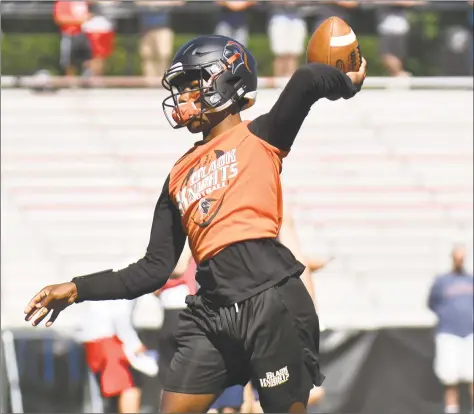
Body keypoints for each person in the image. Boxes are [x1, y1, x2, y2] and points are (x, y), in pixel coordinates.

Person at [24, 34, 366, 413]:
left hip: (270, 301)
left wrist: (345, 85)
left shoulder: (261, 136)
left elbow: (305, 80)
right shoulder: (177, 175)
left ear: (227, 80)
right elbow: (152, 270)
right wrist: (76, 289)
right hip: (212, 310)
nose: (184, 98)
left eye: (192, 85)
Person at [80, 299, 158, 413]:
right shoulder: (129, 283)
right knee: (129, 386)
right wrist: (136, 344)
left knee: (114, 396)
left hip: (94, 340)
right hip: (110, 340)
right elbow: (121, 319)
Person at [428, 245, 473, 414]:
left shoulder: (471, 280)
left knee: (472, 375)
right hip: (449, 333)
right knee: (449, 377)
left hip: (470, 332)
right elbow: (432, 303)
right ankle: (452, 409)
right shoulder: (442, 281)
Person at [268, 1, 307, 77]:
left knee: (294, 55)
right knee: (280, 54)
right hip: (279, 18)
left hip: (297, 19)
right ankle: (279, 85)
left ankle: (291, 84)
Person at [53, 0, 91, 78]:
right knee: (69, 62)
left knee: (87, 59)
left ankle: (87, 81)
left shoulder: (83, 2)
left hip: (85, 34)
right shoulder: (62, 2)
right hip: (69, 34)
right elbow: (59, 18)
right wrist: (78, 20)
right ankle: (70, 82)